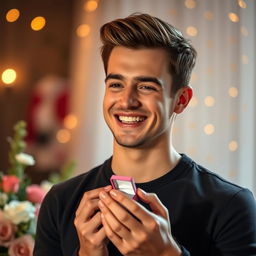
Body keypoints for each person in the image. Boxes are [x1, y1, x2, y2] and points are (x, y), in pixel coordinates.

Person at [33, 13, 256, 256]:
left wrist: (166, 253)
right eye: (116, 84)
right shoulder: (60, 201)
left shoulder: (231, 205)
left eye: (146, 86)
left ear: (180, 100)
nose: (127, 101)